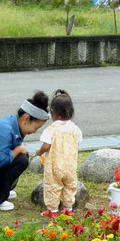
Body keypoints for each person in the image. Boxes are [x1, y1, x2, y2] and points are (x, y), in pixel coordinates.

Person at [36, 90, 82, 218]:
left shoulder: (52, 129)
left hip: (55, 166)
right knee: (70, 186)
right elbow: (77, 143)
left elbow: (46, 146)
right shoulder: (75, 129)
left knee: (53, 187)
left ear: (53, 112)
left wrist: (39, 151)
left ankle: (53, 210)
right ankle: (68, 209)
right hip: (70, 166)